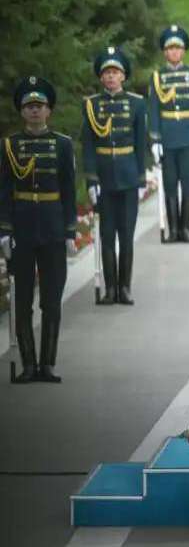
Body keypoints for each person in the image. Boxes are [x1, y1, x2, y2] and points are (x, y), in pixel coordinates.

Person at [1, 77, 77, 383]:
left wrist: (71, 231)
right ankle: (28, 365)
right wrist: (4, 230)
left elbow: (69, 191)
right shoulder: (10, 146)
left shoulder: (62, 144)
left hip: (53, 226)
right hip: (21, 229)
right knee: (21, 301)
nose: (34, 111)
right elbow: (4, 189)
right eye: (29, 106)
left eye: (39, 106)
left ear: (49, 110)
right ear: (22, 111)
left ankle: (47, 364)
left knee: (51, 299)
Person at [80, 47, 148, 305]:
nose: (110, 77)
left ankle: (125, 287)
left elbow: (140, 145)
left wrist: (141, 180)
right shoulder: (91, 105)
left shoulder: (136, 103)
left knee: (126, 235)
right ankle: (110, 289)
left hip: (129, 176)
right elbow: (87, 146)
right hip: (104, 179)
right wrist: (91, 180)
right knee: (107, 235)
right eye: (106, 72)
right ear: (100, 77)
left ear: (123, 76)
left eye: (115, 72)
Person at [149, 25, 189, 243]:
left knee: (188, 183)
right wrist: (155, 139)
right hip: (167, 137)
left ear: (183, 51)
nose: (174, 52)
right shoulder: (157, 77)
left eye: (178, 48)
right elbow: (153, 108)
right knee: (170, 184)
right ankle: (173, 229)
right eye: (170, 48)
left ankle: (186, 229)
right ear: (165, 52)